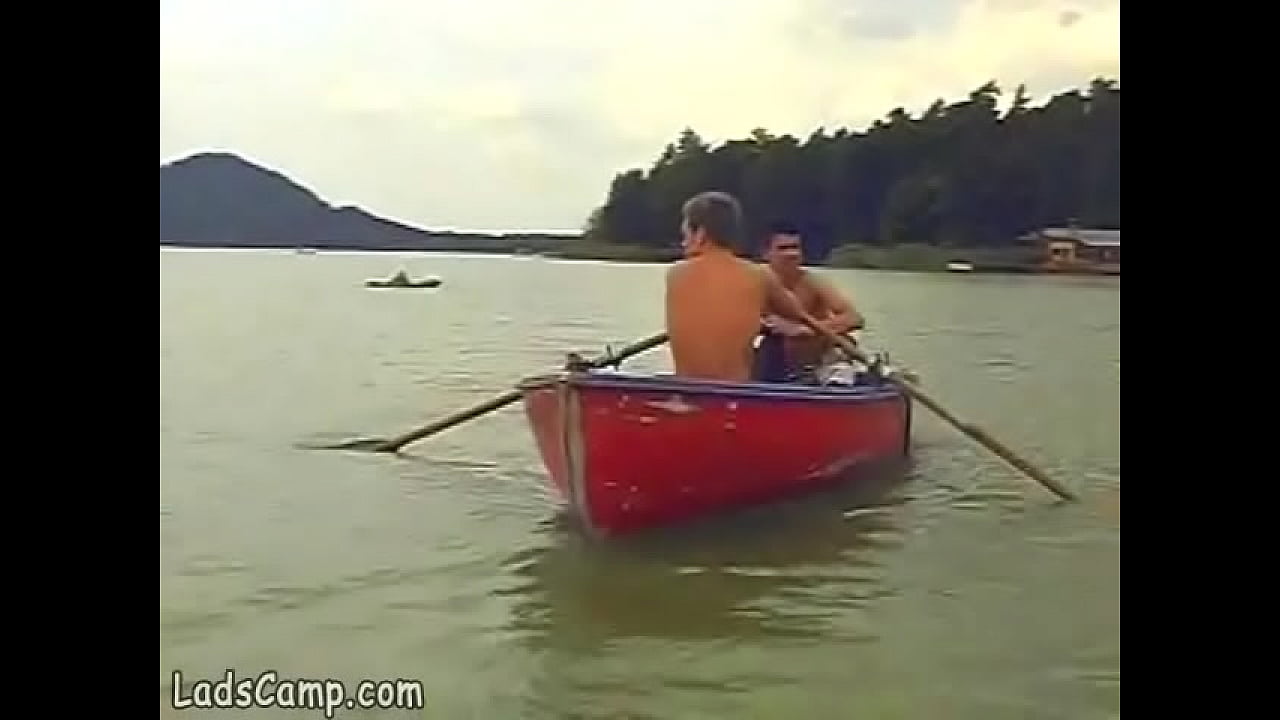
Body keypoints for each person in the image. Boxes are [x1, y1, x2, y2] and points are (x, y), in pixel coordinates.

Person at [664, 192, 820, 383]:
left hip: (688, 393)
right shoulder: (759, 275)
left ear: (701, 234)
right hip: (735, 395)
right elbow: (800, 314)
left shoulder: (675, 274)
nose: (683, 242)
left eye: (685, 234)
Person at [754, 221, 864, 383]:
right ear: (766, 254)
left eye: (795, 247)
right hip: (778, 363)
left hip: (817, 361)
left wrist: (804, 330)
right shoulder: (755, 284)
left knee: (841, 349)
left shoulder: (814, 282)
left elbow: (854, 318)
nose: (792, 254)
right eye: (783, 248)